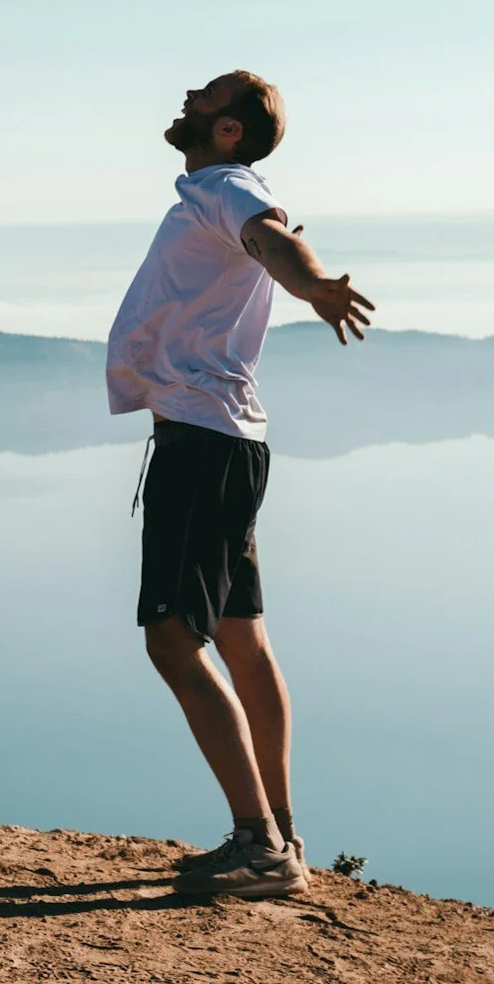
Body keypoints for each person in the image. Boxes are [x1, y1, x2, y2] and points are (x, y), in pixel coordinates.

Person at [107, 70, 373, 899]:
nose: (187, 95)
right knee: (238, 633)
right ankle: (280, 832)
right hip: (224, 438)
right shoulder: (217, 188)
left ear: (228, 130)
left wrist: (313, 283)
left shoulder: (227, 186)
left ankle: (259, 847)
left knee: (171, 637)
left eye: (206, 95)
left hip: (200, 441)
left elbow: (274, 239)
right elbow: (267, 239)